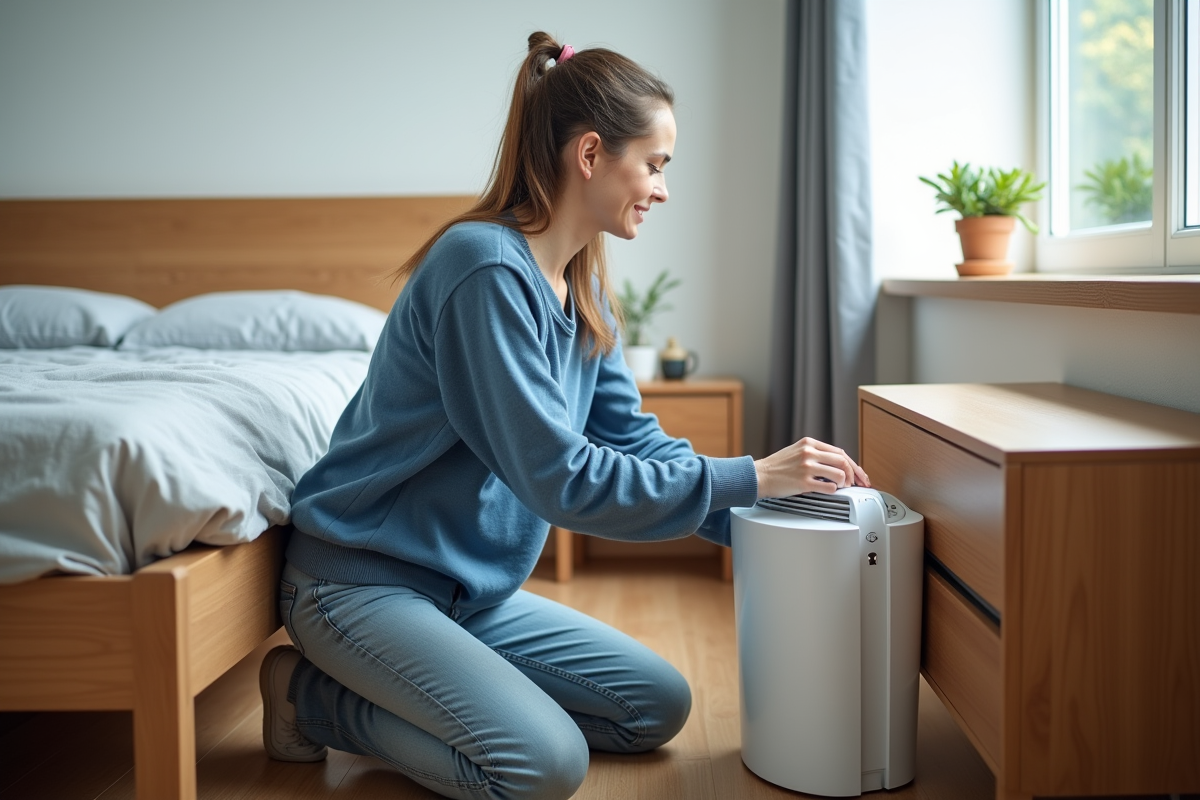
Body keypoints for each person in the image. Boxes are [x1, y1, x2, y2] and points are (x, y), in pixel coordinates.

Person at [259, 31, 870, 800]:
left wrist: (774, 513)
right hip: (361, 588)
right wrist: (747, 476)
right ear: (590, 155)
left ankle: (456, 694)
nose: (663, 188)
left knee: (654, 707)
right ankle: (309, 701)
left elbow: (631, 440)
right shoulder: (481, 268)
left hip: (467, 597)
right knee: (540, 766)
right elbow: (560, 477)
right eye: (655, 164)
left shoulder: (582, 287)